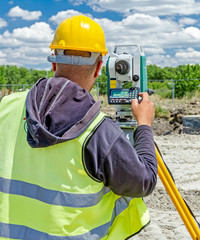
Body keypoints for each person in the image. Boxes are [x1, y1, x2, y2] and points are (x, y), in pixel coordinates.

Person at [0, 15, 157, 239]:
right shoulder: (99, 131)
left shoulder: (6, 107)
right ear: (99, 68)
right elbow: (144, 181)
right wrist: (144, 125)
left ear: (53, 62)